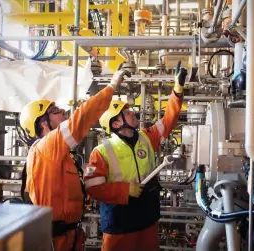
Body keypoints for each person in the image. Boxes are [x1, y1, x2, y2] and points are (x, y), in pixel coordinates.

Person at [19, 69, 131, 251]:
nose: (63, 111)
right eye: (55, 111)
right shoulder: (45, 146)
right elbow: (82, 119)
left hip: (68, 237)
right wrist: (110, 88)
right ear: (43, 123)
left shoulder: (59, 154)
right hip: (54, 240)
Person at [83, 61, 187, 251]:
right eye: (127, 113)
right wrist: (124, 191)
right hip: (120, 223)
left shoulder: (147, 138)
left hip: (146, 217)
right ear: (115, 124)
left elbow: (168, 120)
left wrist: (177, 91)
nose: (133, 114)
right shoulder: (102, 152)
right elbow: (93, 188)